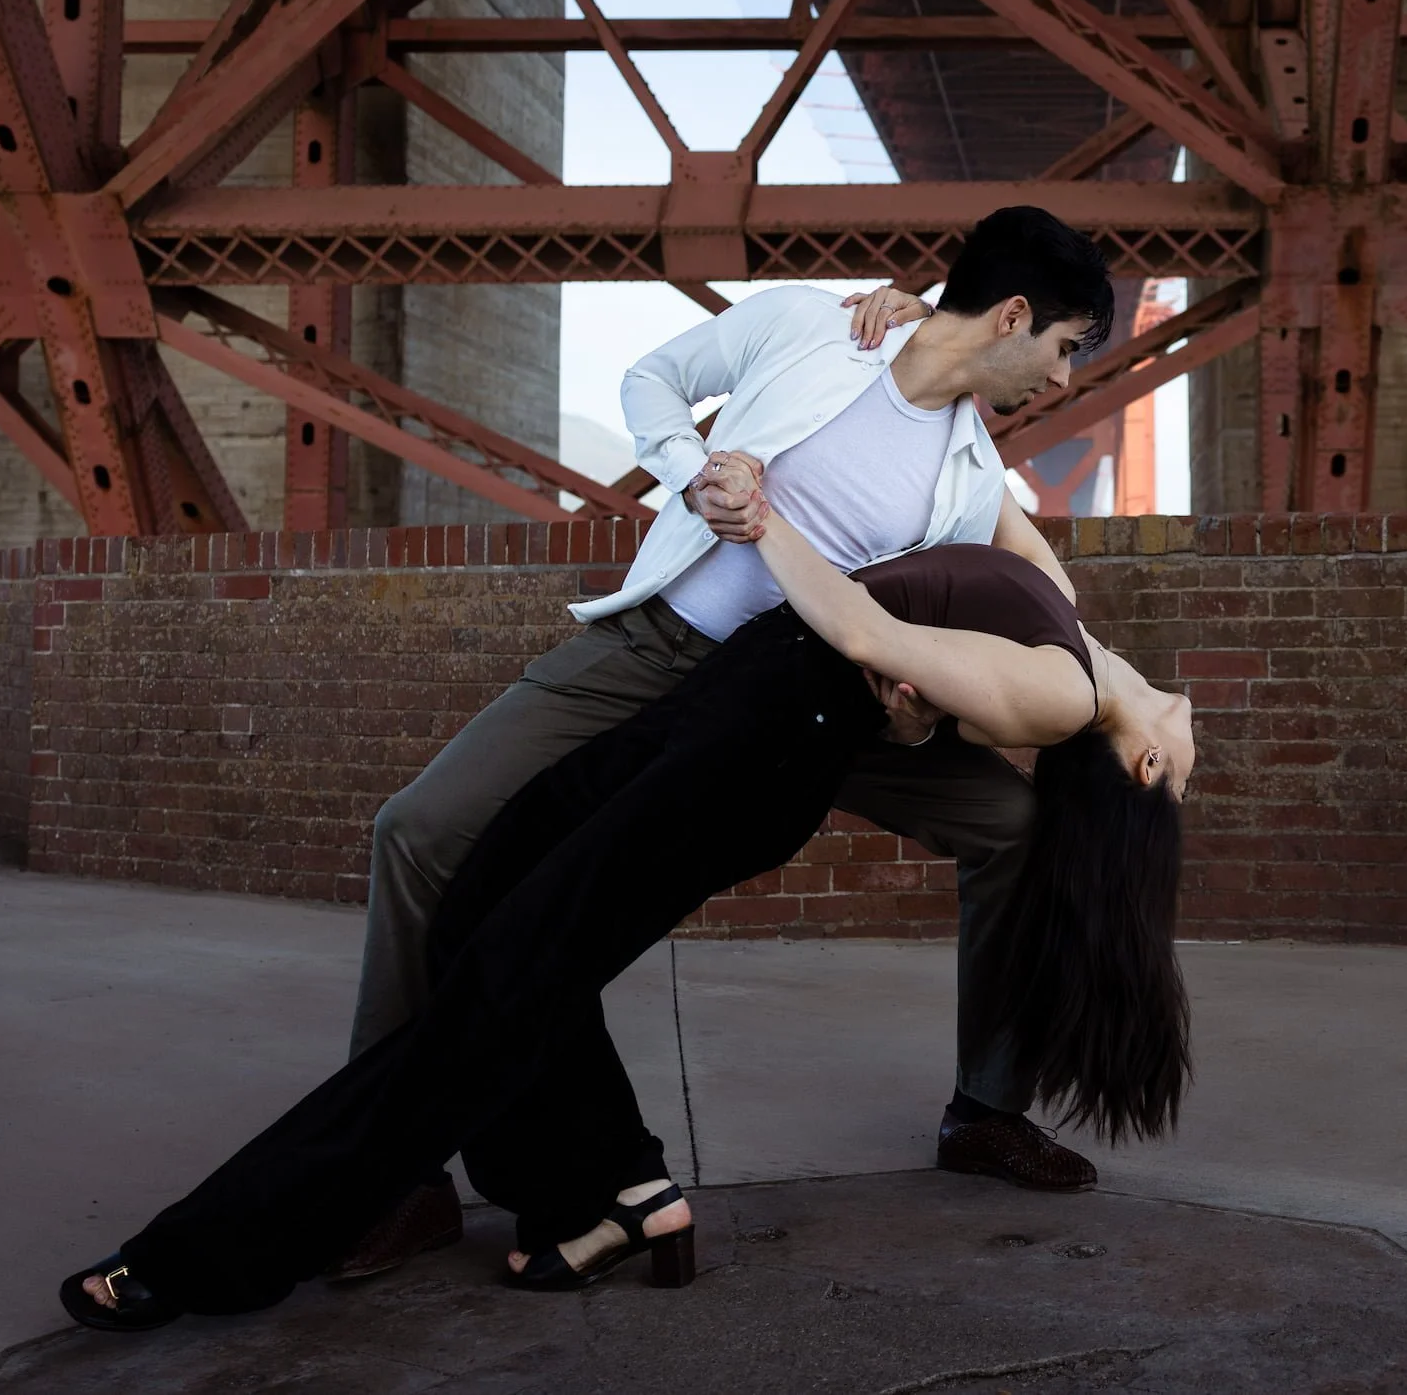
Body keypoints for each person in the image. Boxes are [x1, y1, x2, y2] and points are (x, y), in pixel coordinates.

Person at [58, 497, 1194, 1330]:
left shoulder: (1069, 692)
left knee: (502, 985)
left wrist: (761, 518)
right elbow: (955, 571)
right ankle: (615, 1191)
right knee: (474, 911)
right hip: (729, 701)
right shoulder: (1074, 626)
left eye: (1177, 773)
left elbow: (862, 637)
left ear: (1142, 761)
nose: (1188, 747)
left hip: (762, 746)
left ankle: (215, 1248)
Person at [332, 207, 1165, 1279]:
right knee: (421, 828)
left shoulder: (967, 484)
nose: (1058, 381)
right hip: (655, 648)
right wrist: (692, 468)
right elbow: (652, 378)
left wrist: (922, 705)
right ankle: (390, 1174)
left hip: (809, 703)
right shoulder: (813, 329)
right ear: (1011, 313)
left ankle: (986, 1109)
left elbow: (975, 623)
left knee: (1014, 820)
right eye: (1060, 348)